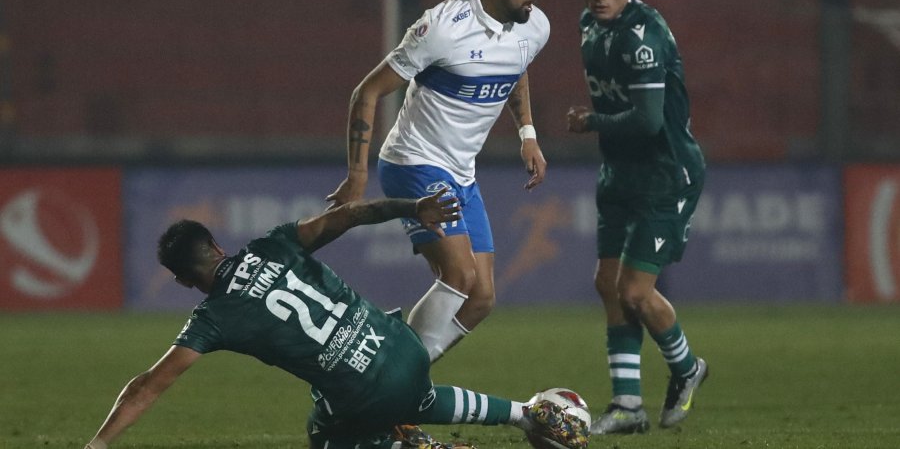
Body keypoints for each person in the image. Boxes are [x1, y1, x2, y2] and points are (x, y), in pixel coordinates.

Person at [83, 190, 589, 449]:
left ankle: (400, 443)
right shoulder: (274, 244)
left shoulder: (213, 318)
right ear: (216, 244)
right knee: (403, 391)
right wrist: (413, 207)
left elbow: (148, 387)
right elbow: (347, 215)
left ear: (182, 280)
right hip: (403, 347)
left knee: (327, 432)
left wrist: (99, 442)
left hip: (366, 393)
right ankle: (526, 412)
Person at [326, 0, 550, 363]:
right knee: (460, 276)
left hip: (462, 173)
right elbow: (367, 92)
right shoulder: (443, 28)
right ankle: (392, 384)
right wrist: (357, 175)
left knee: (481, 298)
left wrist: (528, 133)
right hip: (414, 161)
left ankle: (397, 377)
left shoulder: (534, 26)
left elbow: (516, 69)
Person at [565, 0, 709, 435]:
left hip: (665, 176)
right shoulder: (589, 26)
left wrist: (591, 122)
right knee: (608, 284)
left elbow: (649, 121)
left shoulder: (641, 36)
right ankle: (628, 404)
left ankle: (688, 367)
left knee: (633, 289)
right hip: (621, 174)